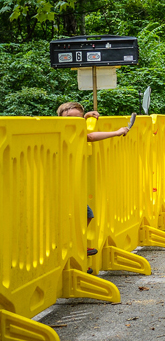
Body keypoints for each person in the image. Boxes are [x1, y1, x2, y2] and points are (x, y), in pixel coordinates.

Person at [57, 102, 130, 273]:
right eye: (69, 118)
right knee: (72, 218)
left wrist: (87, 116)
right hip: (62, 184)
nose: (74, 122)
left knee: (86, 214)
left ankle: (79, 249)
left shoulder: (77, 128)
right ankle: (74, 250)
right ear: (60, 119)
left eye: (78, 118)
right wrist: (117, 132)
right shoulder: (62, 131)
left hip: (74, 184)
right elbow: (90, 137)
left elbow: (86, 131)